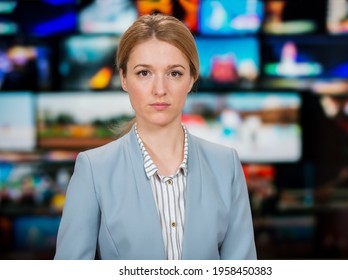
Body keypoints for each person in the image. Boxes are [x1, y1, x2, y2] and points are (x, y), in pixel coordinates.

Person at [54, 13, 257, 260]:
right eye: (143, 73)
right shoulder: (93, 169)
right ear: (124, 79)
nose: (160, 90)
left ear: (192, 79)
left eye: (174, 73)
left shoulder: (226, 165)